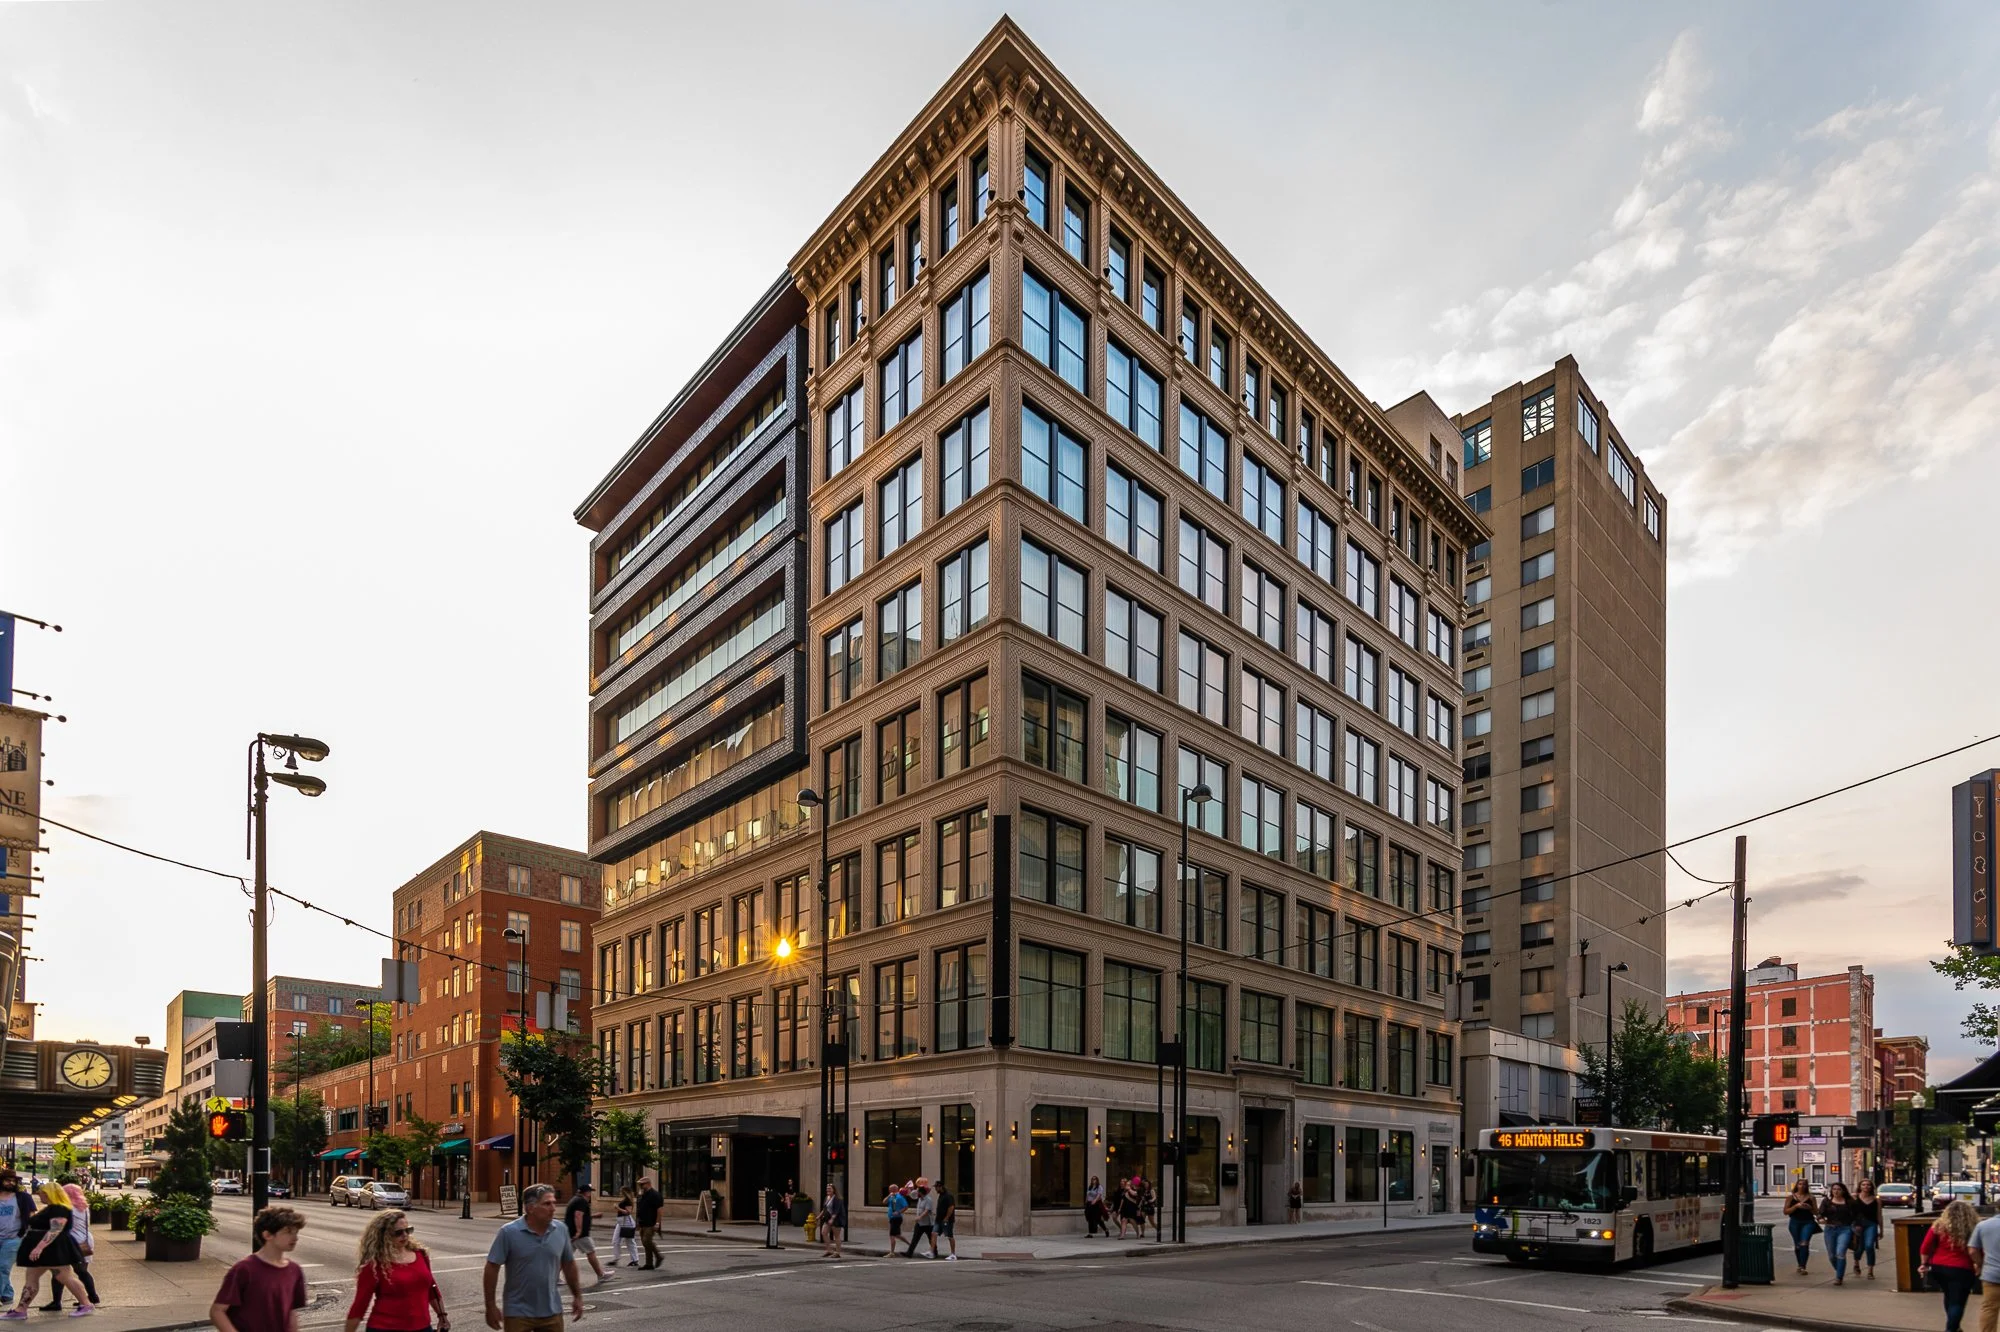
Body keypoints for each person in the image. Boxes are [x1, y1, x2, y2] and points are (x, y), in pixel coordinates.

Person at [482, 1184, 583, 1332]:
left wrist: (577, 1296)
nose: (553, 1208)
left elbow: (568, 1264)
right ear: (530, 1208)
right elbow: (492, 1267)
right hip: (518, 1313)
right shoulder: (509, 1232)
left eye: (554, 1203)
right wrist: (490, 1306)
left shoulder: (561, 1230)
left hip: (551, 1311)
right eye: (547, 1204)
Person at [207, 1206, 307, 1332]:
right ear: (267, 1235)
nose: (295, 1238)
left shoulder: (294, 1270)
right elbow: (217, 1311)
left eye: (296, 1232)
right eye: (288, 1232)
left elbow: (291, 1312)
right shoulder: (244, 1269)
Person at [345, 1210, 445, 1332]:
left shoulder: (420, 1254)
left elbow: (431, 1288)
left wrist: (442, 1316)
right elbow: (359, 1306)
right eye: (398, 1233)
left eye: (407, 1230)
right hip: (385, 1328)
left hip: (423, 1328)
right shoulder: (374, 1264)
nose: (405, 1235)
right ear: (384, 1235)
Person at [5, 1183, 92, 1319]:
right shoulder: (52, 1208)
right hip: (46, 1249)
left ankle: (86, 1304)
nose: (39, 1194)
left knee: (64, 1276)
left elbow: (55, 1229)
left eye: (42, 1192)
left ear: (49, 1193)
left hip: (53, 1249)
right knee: (33, 1277)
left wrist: (39, 1247)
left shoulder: (59, 1208)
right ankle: (21, 1309)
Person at [1923, 1199, 1981, 1332]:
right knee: (1958, 1301)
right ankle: (1951, 1328)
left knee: (1948, 1296)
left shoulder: (1938, 1226)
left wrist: (1924, 1264)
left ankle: (1954, 1326)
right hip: (1963, 1268)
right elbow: (1976, 1249)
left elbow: (1925, 1247)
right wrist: (1979, 1264)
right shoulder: (1973, 1228)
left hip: (1939, 1266)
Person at [40, 1185, 97, 1312]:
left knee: (58, 1272)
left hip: (70, 1242)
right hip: (85, 1240)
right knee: (82, 1271)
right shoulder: (84, 1207)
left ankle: (56, 1302)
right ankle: (92, 1296)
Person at [560, 1185, 610, 1286]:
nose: (591, 1194)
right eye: (590, 1192)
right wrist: (579, 1231)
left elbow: (581, 1215)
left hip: (571, 1232)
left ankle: (554, 1278)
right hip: (580, 1234)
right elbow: (578, 1215)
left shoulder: (575, 1199)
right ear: (586, 1192)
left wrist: (593, 1216)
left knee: (565, 1256)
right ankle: (601, 1275)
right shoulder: (581, 1201)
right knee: (591, 1252)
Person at [0, 1172, 33, 1309]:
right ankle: (7, 1295)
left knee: (2, 1267)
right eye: (8, 1180)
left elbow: (31, 1216)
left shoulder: (23, 1197)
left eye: (13, 1181)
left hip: (14, 1238)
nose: (11, 1183)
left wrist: (26, 1235)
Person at [1817, 1181, 1858, 1285]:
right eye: (1834, 1189)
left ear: (1843, 1191)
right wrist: (1820, 1219)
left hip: (1845, 1229)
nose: (1836, 1191)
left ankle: (1839, 1277)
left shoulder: (1849, 1202)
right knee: (1831, 1255)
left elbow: (1857, 1215)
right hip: (1830, 1229)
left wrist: (1856, 1226)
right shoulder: (1827, 1201)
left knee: (1840, 1252)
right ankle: (1840, 1270)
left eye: (1839, 1189)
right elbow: (1819, 1213)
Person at [1782, 1181, 1818, 1275]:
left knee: (1804, 1243)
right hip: (1795, 1222)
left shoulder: (1811, 1197)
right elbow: (1786, 1211)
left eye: (1804, 1184)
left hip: (1808, 1222)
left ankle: (1803, 1266)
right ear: (1797, 1185)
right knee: (1798, 1245)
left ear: (1807, 1186)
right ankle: (1799, 1264)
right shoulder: (1791, 1197)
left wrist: (1809, 1208)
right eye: (1800, 1184)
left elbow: (1816, 1212)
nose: (1802, 1186)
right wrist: (1796, 1206)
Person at [1851, 1180, 1883, 1281]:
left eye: (1868, 1185)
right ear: (1860, 1186)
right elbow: (1849, 1212)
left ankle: (1870, 1270)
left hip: (1871, 1224)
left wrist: (1881, 1230)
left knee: (1869, 1246)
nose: (1866, 1186)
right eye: (1863, 1185)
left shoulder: (1876, 1200)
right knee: (1859, 1247)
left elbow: (1879, 1215)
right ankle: (1856, 1262)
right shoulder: (1854, 1197)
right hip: (1857, 1224)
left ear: (1871, 1187)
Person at [633, 1178, 662, 1271]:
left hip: (651, 1222)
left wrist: (657, 1223)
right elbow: (639, 1209)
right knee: (645, 1243)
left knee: (647, 1241)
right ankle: (649, 1263)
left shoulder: (655, 1195)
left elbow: (659, 1210)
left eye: (642, 1184)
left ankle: (658, 1256)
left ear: (648, 1184)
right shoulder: (642, 1195)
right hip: (643, 1222)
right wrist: (637, 1222)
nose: (640, 1186)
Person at [904, 1180, 936, 1259]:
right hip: (920, 1223)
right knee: (915, 1238)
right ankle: (909, 1253)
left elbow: (927, 1210)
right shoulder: (920, 1198)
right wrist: (909, 1189)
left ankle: (935, 1252)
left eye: (918, 1191)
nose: (917, 1192)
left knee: (930, 1238)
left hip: (928, 1223)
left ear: (921, 1192)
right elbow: (912, 1195)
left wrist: (919, 1217)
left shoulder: (928, 1199)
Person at [816, 1185, 844, 1260]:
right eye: (827, 1189)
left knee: (836, 1236)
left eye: (829, 1189)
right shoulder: (826, 1198)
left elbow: (836, 1210)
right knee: (824, 1232)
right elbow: (824, 1209)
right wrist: (819, 1216)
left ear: (834, 1190)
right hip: (827, 1218)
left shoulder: (837, 1199)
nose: (828, 1190)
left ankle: (837, 1253)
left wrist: (832, 1219)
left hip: (836, 1219)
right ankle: (829, 1250)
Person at [610, 1195, 638, 1269]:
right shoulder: (625, 1200)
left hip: (627, 1222)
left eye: (621, 1191)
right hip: (620, 1222)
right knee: (615, 1241)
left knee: (630, 1241)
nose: (619, 1193)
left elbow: (628, 1212)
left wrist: (617, 1208)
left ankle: (634, 1260)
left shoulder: (628, 1200)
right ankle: (616, 1258)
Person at [933, 1181, 957, 1261]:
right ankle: (931, 1251)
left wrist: (946, 1218)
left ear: (940, 1187)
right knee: (933, 1233)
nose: (935, 1189)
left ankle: (953, 1254)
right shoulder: (941, 1195)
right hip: (938, 1220)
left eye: (936, 1187)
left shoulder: (948, 1196)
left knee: (949, 1236)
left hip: (947, 1220)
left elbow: (951, 1207)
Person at [882, 1183, 908, 1258]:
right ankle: (910, 1245)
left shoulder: (899, 1197)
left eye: (890, 1189)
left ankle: (892, 1252)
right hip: (892, 1218)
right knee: (897, 1235)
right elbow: (884, 1202)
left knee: (892, 1235)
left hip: (896, 1218)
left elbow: (906, 1206)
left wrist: (898, 1212)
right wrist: (889, 1196)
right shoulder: (891, 1197)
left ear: (894, 1189)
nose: (889, 1190)